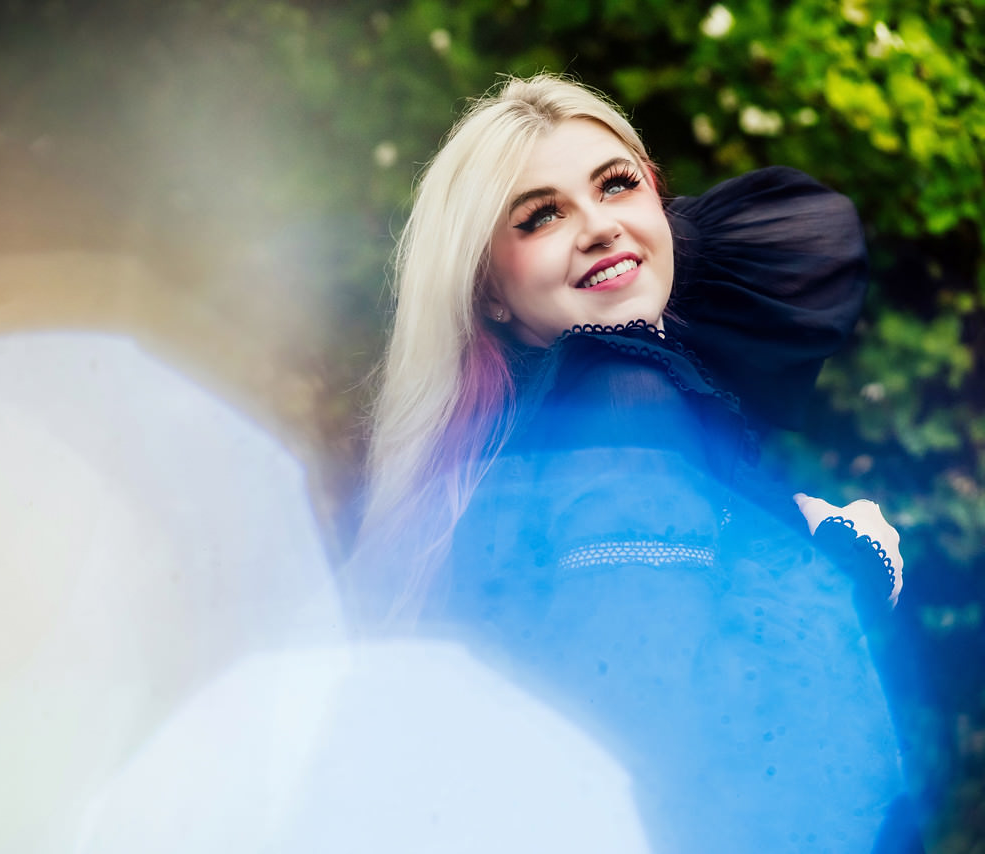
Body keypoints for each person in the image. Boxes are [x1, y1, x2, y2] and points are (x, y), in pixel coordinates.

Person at [346, 74, 918, 853]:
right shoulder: (628, 395)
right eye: (541, 216)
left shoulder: (535, 432)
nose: (598, 227)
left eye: (616, 186)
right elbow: (646, 730)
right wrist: (843, 572)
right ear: (491, 293)